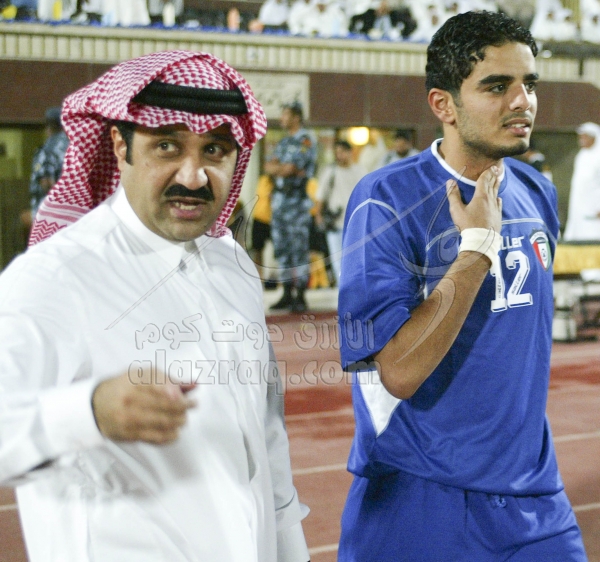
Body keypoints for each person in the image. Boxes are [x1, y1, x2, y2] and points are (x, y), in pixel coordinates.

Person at [0, 50, 309, 562]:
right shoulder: (55, 278)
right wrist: (89, 411)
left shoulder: (233, 264)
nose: (193, 176)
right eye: (167, 145)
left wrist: (292, 551)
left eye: (215, 150)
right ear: (119, 145)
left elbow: (265, 434)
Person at [338, 11, 587, 562]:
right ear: (443, 105)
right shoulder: (386, 200)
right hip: (422, 495)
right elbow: (400, 372)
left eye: (529, 84)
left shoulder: (537, 191)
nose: (522, 101)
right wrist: (475, 250)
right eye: (497, 86)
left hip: (535, 495)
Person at [264, 101, 317, 313]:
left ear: (296, 117)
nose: (282, 118)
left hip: (296, 203)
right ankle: (286, 293)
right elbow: (269, 166)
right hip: (279, 202)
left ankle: (300, 294)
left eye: (285, 114)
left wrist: (283, 169)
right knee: (282, 249)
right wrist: (281, 169)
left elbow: (290, 169)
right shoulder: (284, 141)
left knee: (299, 250)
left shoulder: (306, 139)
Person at [315, 140, 366, 282]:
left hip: (356, 223)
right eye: (337, 152)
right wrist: (318, 215)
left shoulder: (360, 171)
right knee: (337, 260)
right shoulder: (330, 172)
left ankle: (354, 287)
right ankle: (342, 288)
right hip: (334, 222)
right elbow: (320, 196)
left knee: (355, 258)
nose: (339, 155)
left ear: (350, 152)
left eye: (342, 152)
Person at [21, 106, 69, 233]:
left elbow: (46, 182)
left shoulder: (47, 150)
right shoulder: (74, 147)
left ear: (49, 127)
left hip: (49, 214)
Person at [563, 122, 600, 241]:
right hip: (579, 204)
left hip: (595, 207)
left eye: (585, 137)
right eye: (580, 137)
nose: (581, 140)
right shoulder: (581, 155)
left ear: (594, 138)